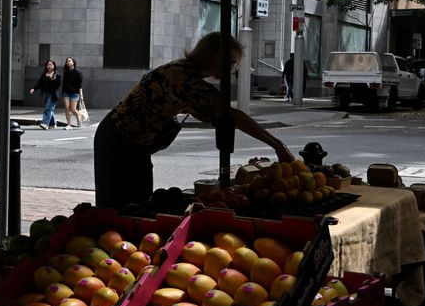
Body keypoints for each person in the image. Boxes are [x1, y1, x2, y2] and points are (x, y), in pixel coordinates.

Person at [94, 32, 295, 210]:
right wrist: (278, 145)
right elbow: (231, 116)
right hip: (119, 144)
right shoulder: (184, 79)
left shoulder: (186, 73)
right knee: (123, 208)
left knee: (136, 202)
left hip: (132, 145)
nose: (232, 69)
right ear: (215, 57)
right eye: (231, 63)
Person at [29, 59, 61, 129]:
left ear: (53, 66)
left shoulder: (56, 74)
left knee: (48, 109)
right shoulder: (44, 74)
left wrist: (53, 80)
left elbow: (58, 85)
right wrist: (34, 89)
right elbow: (40, 83)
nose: (49, 66)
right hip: (45, 94)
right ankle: (52, 124)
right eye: (48, 65)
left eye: (50, 65)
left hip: (53, 95)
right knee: (50, 109)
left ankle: (45, 123)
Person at [61, 56, 84, 130]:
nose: (68, 62)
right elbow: (64, 83)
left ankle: (78, 119)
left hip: (74, 93)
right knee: (67, 108)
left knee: (73, 109)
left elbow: (79, 84)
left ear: (73, 62)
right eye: (67, 61)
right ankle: (69, 124)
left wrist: (81, 95)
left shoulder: (77, 72)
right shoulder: (66, 72)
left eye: (69, 61)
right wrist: (63, 92)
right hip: (66, 92)